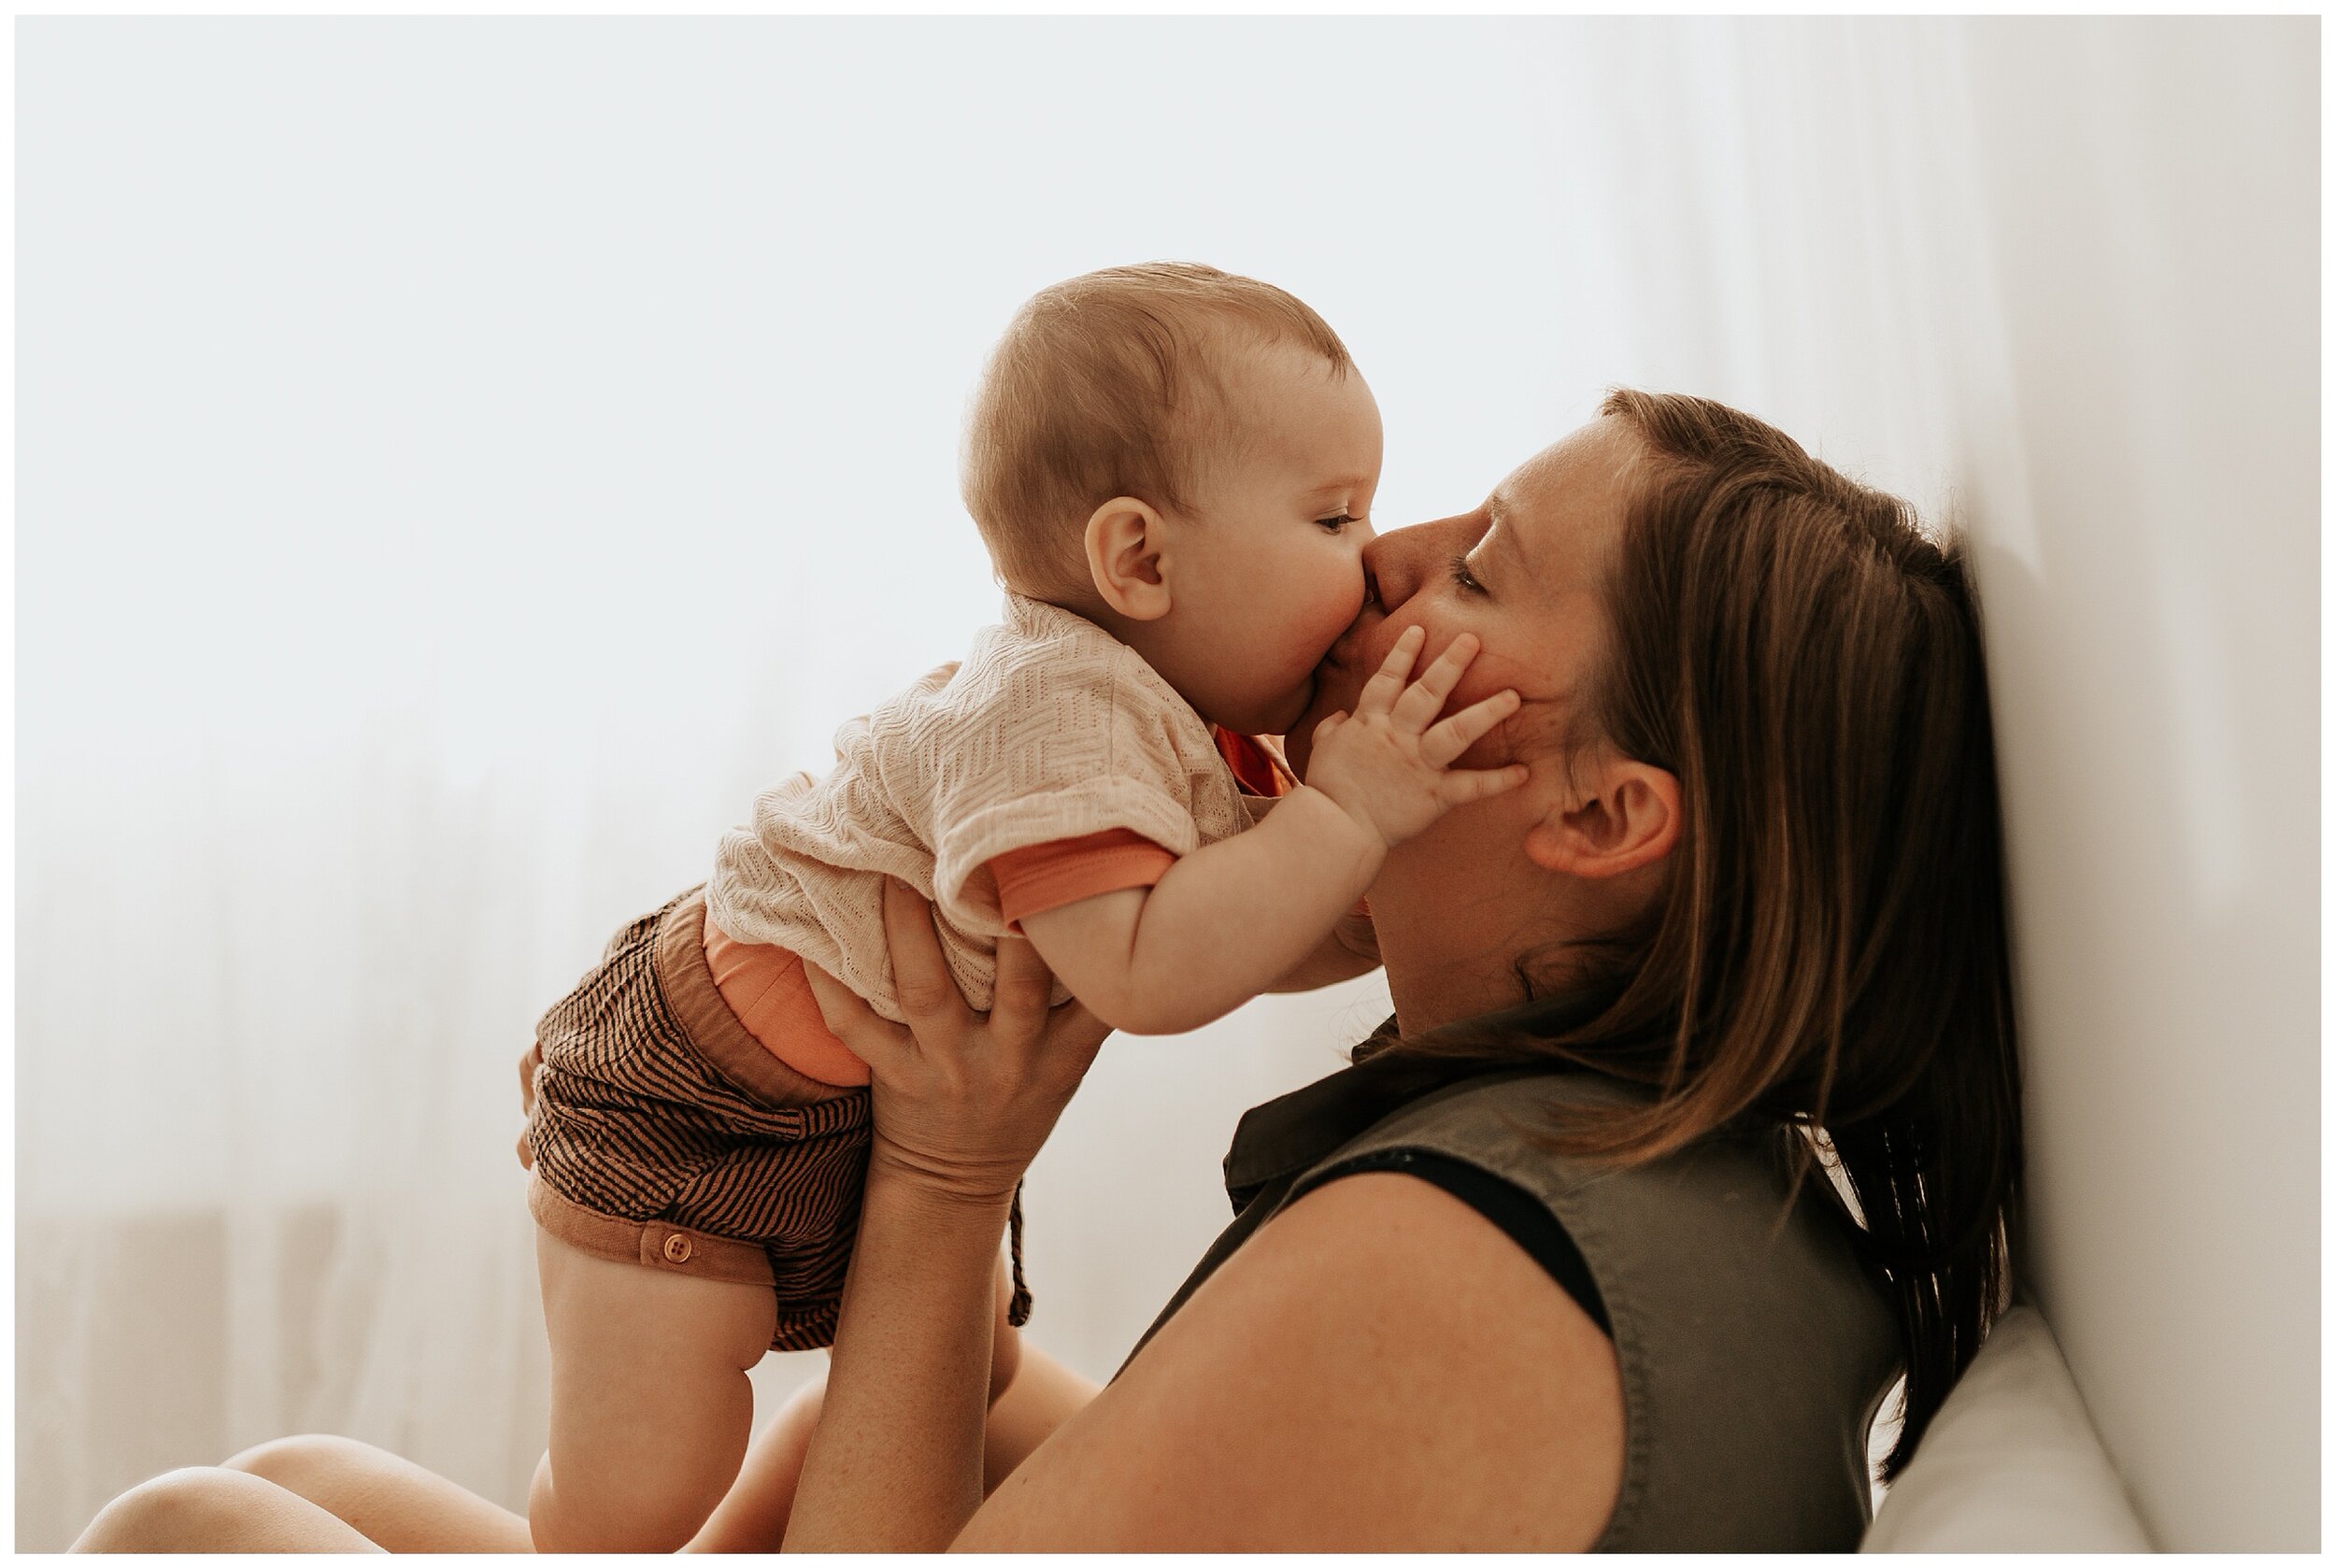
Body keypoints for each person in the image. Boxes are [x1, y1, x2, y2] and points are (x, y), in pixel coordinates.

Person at [71, 390, 2023, 1552]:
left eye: (1482, 570)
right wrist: (960, 1345)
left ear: (1601, 819)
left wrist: (935, 1181)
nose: (1383, 561)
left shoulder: (1473, 1256)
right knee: (300, 1466)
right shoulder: (1678, 1175)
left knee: (188, 1529)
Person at [514, 262, 1525, 1550]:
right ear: (1139, 557)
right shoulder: (1062, 712)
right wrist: (1351, 820)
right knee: (629, 1508)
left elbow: (1245, 927)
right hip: (694, 1105)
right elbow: (1147, 972)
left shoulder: (1175, 723)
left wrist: (1376, 895)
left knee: (970, 1373)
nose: (1374, 554)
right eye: (1334, 519)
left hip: (852, 1104)